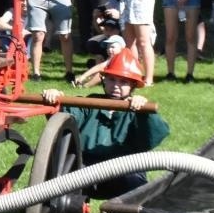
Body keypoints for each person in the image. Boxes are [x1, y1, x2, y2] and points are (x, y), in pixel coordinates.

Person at [40, 46, 169, 196]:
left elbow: (150, 138)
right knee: (60, 176)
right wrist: (55, 100)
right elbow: (66, 117)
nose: (116, 86)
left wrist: (144, 113)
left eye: (123, 82)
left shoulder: (137, 111)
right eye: (112, 79)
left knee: (137, 185)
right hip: (85, 167)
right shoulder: (90, 104)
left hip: (124, 170)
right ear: (104, 80)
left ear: (133, 85)